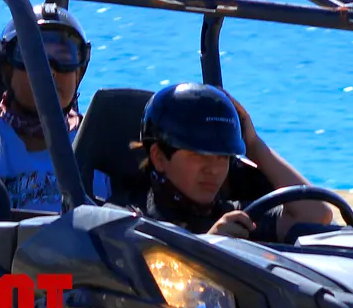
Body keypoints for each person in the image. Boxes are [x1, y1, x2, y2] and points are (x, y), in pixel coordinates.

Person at [138, 83, 330, 238]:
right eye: (199, 156)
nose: (213, 170)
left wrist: (254, 146)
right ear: (160, 157)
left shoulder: (229, 214)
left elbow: (316, 214)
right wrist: (211, 246)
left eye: (222, 157)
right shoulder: (136, 223)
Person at [0, 2, 110, 212]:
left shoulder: (99, 151)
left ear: (78, 74)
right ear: (8, 70)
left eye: (63, 58)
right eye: (35, 57)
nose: (50, 71)